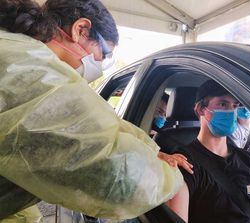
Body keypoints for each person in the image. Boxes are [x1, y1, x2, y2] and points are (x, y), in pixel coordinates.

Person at [0, 0, 190, 220]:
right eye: (104, 53)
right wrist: (176, 179)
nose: (100, 64)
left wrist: (152, 150)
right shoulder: (26, 67)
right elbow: (113, 170)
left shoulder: (18, 53)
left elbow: (105, 122)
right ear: (81, 30)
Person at [167, 80, 250, 223]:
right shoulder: (183, 162)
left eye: (235, 106)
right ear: (201, 109)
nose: (232, 112)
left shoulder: (248, 160)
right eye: (223, 104)